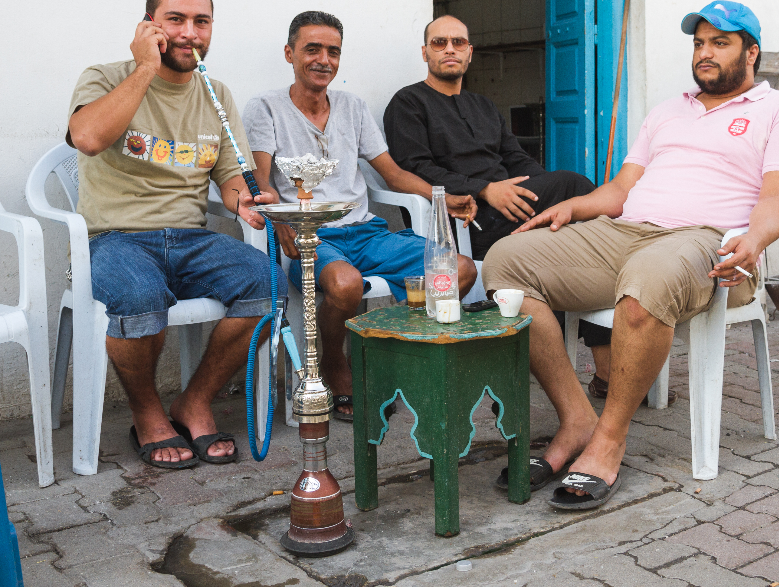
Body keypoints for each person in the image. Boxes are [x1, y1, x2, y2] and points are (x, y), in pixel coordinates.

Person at [481, 1, 779, 509]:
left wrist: (755, 239)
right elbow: (621, 189)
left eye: (719, 43)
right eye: (699, 43)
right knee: (506, 263)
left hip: (714, 242)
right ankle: (576, 420)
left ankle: (609, 440)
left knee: (645, 284)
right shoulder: (667, 110)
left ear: (752, 52)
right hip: (627, 231)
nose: (704, 53)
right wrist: (573, 205)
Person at [67, 0, 285, 468]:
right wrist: (147, 65)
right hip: (116, 237)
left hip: (191, 238)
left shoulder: (216, 93)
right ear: (149, 25)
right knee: (138, 293)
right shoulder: (105, 76)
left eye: (201, 22)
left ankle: (195, 401)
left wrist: (241, 199)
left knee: (269, 282)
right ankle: (148, 414)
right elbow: (86, 137)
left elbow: (230, 177)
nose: (190, 33)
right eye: (176, 20)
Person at [242, 11, 478, 420]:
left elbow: (392, 173)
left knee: (459, 269)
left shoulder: (352, 106)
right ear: (289, 53)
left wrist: (443, 195)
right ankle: (336, 366)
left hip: (366, 232)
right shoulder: (265, 107)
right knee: (346, 285)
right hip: (314, 237)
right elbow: (260, 184)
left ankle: (393, 363)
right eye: (312, 49)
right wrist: (281, 222)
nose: (324, 60)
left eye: (333, 51)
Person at [383, 14, 623, 402]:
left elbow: (517, 159)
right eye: (440, 42)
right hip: (465, 218)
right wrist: (486, 189)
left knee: (582, 242)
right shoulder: (407, 103)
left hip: (511, 212)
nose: (450, 49)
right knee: (577, 187)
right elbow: (416, 168)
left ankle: (606, 374)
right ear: (425, 52)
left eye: (458, 43)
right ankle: (603, 372)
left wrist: (536, 193)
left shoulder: (483, 105)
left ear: (470, 52)